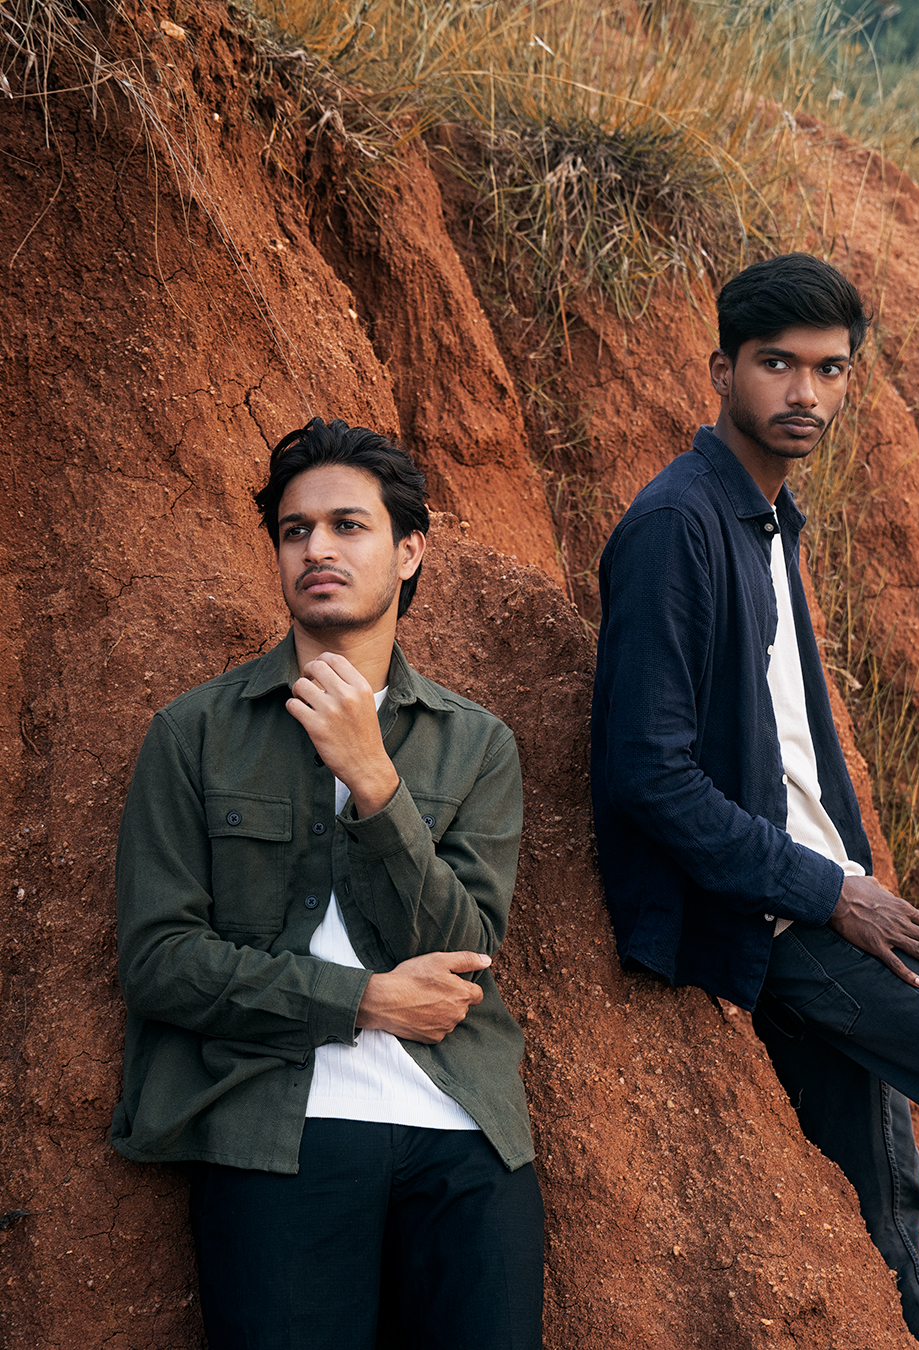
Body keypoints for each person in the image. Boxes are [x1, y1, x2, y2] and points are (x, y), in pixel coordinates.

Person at [591, 253, 919, 1350]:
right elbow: (647, 771)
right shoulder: (678, 525)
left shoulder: (767, 522)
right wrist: (831, 893)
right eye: (777, 364)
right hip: (788, 921)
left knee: (886, 1220)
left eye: (830, 369)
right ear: (721, 371)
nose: (805, 392)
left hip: (815, 901)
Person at [111, 418, 543, 1350]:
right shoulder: (193, 734)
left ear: (409, 551)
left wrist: (374, 781)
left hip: (464, 1138)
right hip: (279, 1133)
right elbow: (159, 962)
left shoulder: (476, 745)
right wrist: (362, 1001)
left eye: (348, 525)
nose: (317, 549)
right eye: (295, 530)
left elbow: (466, 948)